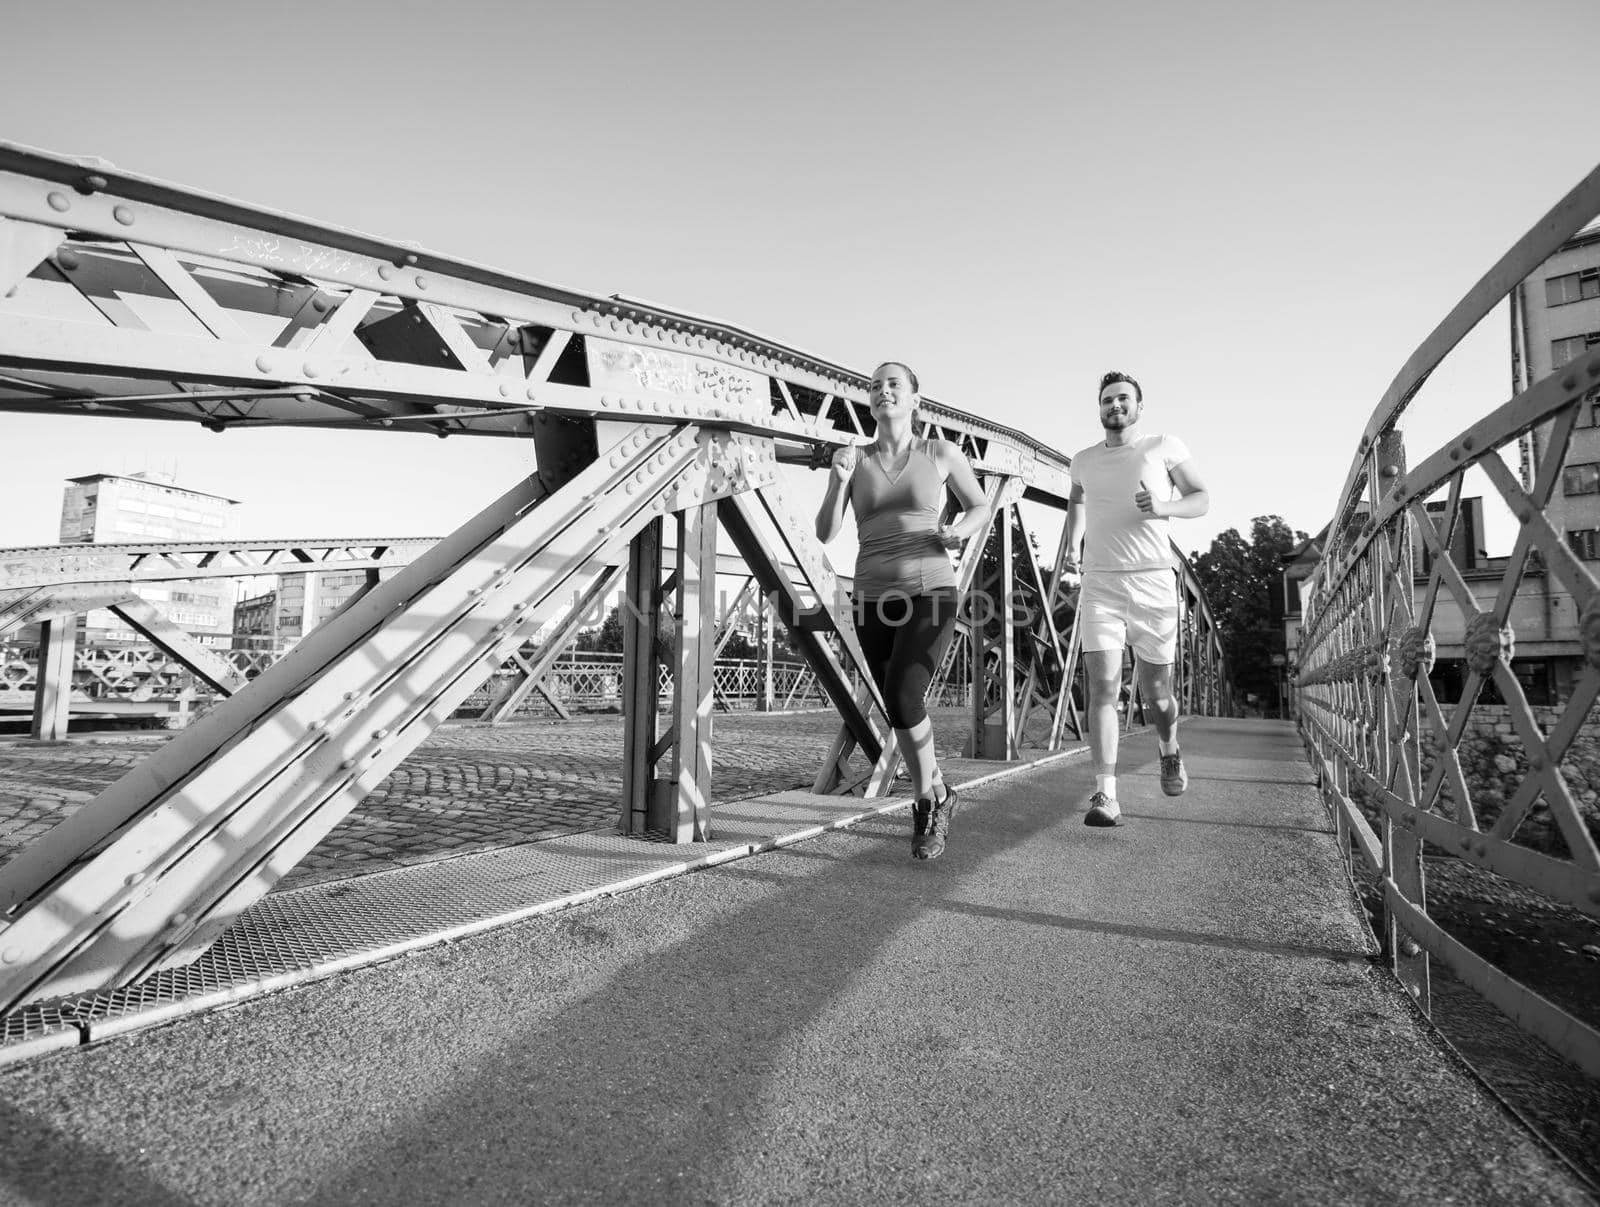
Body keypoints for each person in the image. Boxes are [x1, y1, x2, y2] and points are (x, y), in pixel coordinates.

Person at [815, 361, 991, 859]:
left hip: (931, 589)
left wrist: (960, 530)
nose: (882, 391)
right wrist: (836, 481)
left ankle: (923, 804)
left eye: (893, 384)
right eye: (874, 386)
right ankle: (941, 792)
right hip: (872, 597)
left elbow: (980, 506)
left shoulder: (939, 453)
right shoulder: (855, 459)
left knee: (903, 693)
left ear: (915, 398)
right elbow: (826, 531)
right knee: (898, 708)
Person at [1061, 371, 1210, 827]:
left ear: (1139, 407)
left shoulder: (1163, 446)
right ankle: (1106, 795)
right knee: (1102, 688)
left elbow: (1201, 498)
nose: (1115, 406)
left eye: (1123, 399)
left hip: (1152, 582)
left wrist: (1164, 508)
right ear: (1099, 408)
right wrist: (1072, 544)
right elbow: (1078, 501)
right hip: (1101, 583)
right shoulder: (1083, 459)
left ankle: (1169, 748)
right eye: (1107, 400)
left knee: (1157, 694)